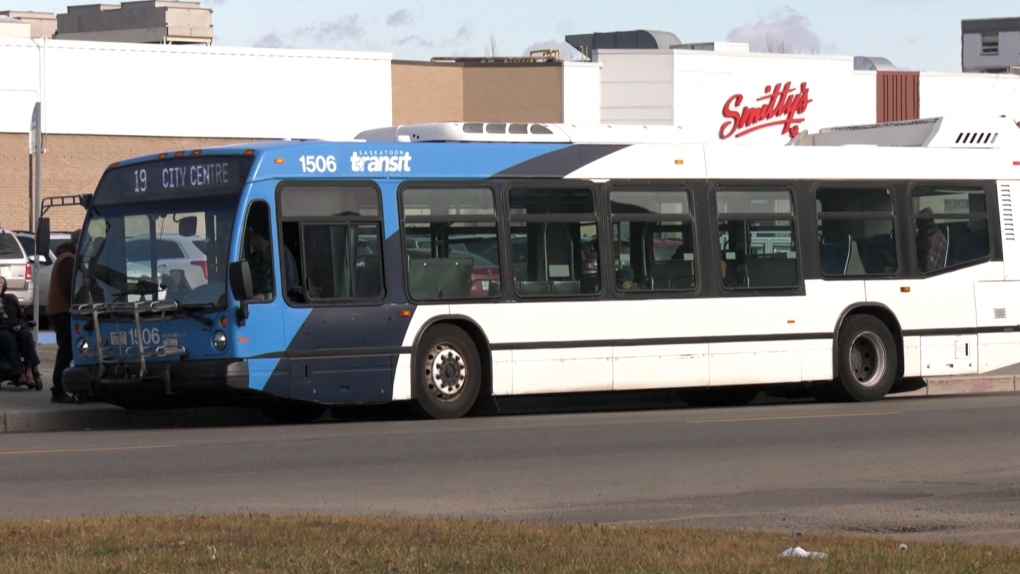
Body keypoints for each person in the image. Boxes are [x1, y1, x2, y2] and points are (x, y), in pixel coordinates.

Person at [48, 229, 80, 404]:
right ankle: (58, 390)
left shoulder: (65, 258)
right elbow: (71, 289)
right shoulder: (68, 260)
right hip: (64, 312)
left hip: (61, 311)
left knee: (68, 351)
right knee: (67, 351)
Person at [0, 275, 40, 387]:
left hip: (16, 328)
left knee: (26, 335)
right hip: (2, 330)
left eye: (0, 286)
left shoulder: (11, 299)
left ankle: (29, 371)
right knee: (6, 337)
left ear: (4, 288)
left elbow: (22, 317)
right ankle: (20, 372)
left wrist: (20, 325)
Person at [246, 222, 298, 300]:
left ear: (259, 236)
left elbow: (289, 286)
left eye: (251, 233)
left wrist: (267, 295)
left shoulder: (282, 254)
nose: (249, 237)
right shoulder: (253, 258)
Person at [916, 207, 947, 273]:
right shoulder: (923, 238)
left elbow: (929, 268)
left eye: (919, 227)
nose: (918, 230)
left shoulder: (937, 240)